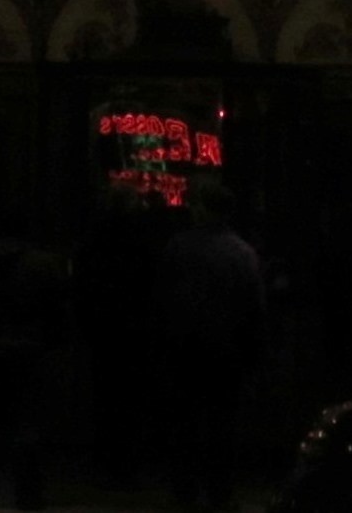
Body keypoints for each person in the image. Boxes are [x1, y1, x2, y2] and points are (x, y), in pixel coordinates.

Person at [156, 181, 265, 512]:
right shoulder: (243, 252)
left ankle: (184, 491)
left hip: (185, 348)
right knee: (223, 427)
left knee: (184, 425)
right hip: (227, 351)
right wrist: (255, 353)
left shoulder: (179, 247)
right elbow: (254, 309)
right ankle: (220, 492)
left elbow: (162, 300)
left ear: (203, 209)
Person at [0, 206, 71, 510]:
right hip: (30, 349)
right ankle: (28, 492)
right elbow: (58, 309)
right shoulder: (44, 263)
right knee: (28, 421)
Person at [74, 185, 158, 487]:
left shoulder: (96, 236)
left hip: (103, 326)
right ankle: (127, 463)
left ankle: (104, 458)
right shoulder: (144, 238)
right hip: (135, 327)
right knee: (131, 397)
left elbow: (83, 278)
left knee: (104, 394)